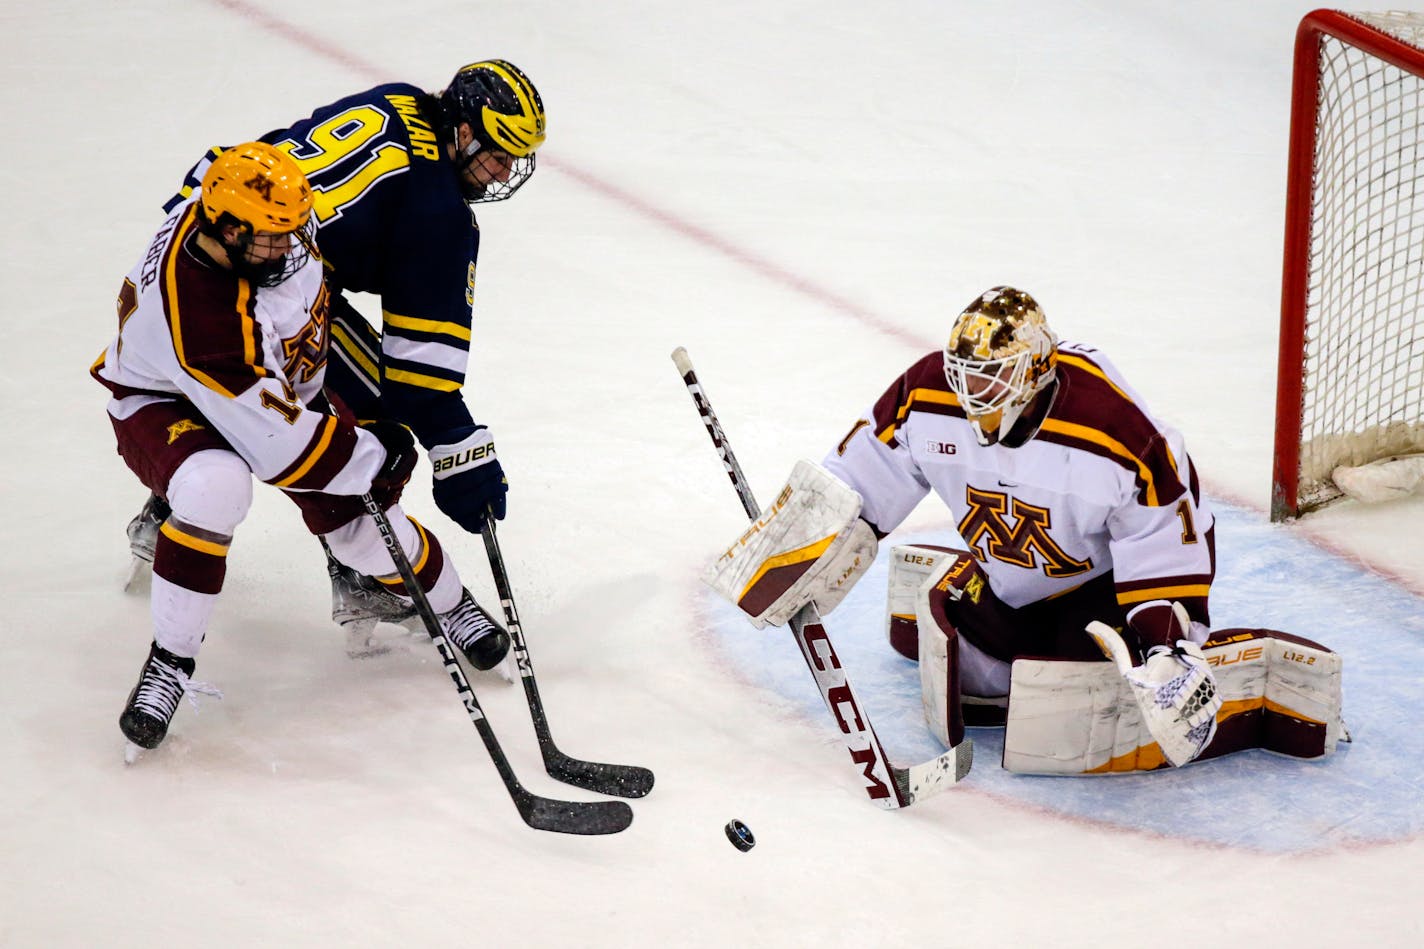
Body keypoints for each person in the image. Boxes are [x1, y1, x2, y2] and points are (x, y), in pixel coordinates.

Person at [93, 143, 510, 751]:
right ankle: (170, 662)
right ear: (228, 233)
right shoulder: (200, 315)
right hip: (165, 402)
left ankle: (452, 606)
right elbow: (279, 447)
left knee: (365, 530)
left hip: (273, 385)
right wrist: (371, 451)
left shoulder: (264, 226)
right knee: (217, 485)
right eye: (271, 237)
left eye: (295, 229)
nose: (291, 246)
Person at [704, 286, 1222, 766]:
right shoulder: (929, 393)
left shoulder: (1113, 427)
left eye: (992, 376)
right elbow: (858, 479)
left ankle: (1183, 668)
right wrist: (799, 547)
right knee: (973, 676)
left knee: (1087, 700)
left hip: (1101, 588)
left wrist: (1167, 644)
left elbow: (1161, 532)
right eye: (965, 373)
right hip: (1013, 576)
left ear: (1038, 369)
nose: (972, 390)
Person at [123, 60, 547, 645]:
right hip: (265, 280)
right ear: (465, 131)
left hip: (208, 237)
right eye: (498, 154)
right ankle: (354, 569)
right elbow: (419, 376)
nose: (503, 172)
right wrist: (457, 446)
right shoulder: (441, 214)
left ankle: (168, 505)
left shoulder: (398, 101)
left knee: (248, 392)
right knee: (370, 423)